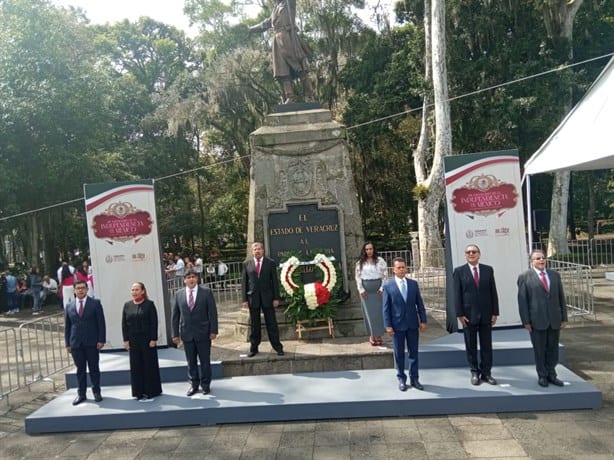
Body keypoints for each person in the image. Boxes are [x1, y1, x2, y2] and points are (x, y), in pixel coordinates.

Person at [518, 249, 568, 388]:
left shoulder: (554, 275)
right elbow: (523, 301)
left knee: (553, 349)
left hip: (554, 319)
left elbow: (561, 298)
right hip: (536, 320)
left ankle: (552, 374)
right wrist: (526, 321)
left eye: (543, 258)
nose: (541, 260)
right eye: (537, 258)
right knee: (540, 350)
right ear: (531, 261)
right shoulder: (525, 277)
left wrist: (564, 317)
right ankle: (542, 375)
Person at [248, 0, 314, 104]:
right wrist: (251, 29)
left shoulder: (290, 3)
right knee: (282, 71)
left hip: (289, 38)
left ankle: (309, 96)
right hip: (278, 41)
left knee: (300, 68)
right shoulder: (275, 8)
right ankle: (290, 97)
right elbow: (266, 23)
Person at [452, 244, 499, 386]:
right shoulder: (459, 271)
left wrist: (495, 312)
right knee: (471, 345)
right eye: (468, 252)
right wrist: (459, 314)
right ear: (465, 255)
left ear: (479, 254)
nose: (471, 254)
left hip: (486, 315)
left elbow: (493, 292)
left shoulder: (488, 270)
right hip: (468, 316)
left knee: (487, 345)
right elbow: (457, 294)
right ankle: (474, 372)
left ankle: (486, 373)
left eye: (474, 252)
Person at [383, 257, 427, 391]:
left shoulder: (413, 284)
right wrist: (388, 325)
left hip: (413, 324)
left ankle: (415, 379)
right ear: (394, 270)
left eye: (403, 267)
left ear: (406, 268)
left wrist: (423, 320)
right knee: (399, 354)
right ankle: (401, 379)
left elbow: (419, 304)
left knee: (414, 353)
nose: (401, 270)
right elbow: (386, 308)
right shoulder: (388, 286)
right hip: (397, 325)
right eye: (399, 268)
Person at [171, 269, 218, 396]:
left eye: (193, 277)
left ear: (197, 279)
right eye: (188, 277)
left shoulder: (206, 292)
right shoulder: (179, 294)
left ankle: (206, 385)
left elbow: (212, 313)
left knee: (205, 361)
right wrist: (175, 334)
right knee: (190, 361)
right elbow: (175, 316)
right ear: (184, 280)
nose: (191, 279)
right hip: (187, 333)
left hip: (203, 332)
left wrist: (213, 330)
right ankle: (194, 384)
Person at [64, 280, 106, 405]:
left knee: (94, 368)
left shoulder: (95, 304)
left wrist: (101, 339)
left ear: (87, 289)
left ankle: (96, 392)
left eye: (83, 288)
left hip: (92, 342)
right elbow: (68, 326)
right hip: (76, 343)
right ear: (74, 290)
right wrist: (67, 343)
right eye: (78, 288)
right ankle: (81, 394)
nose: (80, 290)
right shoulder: (69, 306)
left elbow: (101, 323)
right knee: (80, 370)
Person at [242, 242, 284, 357]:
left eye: (259, 249)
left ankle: (278, 347)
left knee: (272, 323)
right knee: (255, 325)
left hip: (268, 298)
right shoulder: (247, 263)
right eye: (255, 249)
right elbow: (244, 283)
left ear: (263, 250)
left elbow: (274, 282)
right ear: (252, 251)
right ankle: (254, 348)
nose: (257, 251)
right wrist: (244, 299)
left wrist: (276, 298)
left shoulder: (270, 263)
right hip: (253, 298)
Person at [122, 282, 162, 401]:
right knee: (135, 366)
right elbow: (124, 324)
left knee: (149, 365)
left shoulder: (149, 305)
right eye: (133, 290)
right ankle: (138, 392)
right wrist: (126, 340)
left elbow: (154, 323)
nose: (134, 292)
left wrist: (154, 339)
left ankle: (151, 391)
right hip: (133, 341)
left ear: (143, 291)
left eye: (137, 290)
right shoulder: (127, 305)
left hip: (147, 340)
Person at [354, 242, 387, 346]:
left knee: (378, 313)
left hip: (378, 291)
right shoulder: (360, 263)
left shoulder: (380, 261)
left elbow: (385, 275)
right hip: (366, 292)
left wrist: (382, 288)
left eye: (371, 249)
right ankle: (372, 335)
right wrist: (361, 290)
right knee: (369, 314)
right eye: (367, 249)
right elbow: (358, 277)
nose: (369, 251)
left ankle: (379, 335)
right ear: (364, 250)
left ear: (374, 249)